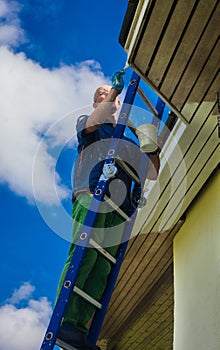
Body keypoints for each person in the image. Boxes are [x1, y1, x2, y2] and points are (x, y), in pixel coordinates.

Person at [56, 70, 160, 349]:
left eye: (109, 93)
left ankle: (78, 331)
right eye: (100, 94)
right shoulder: (89, 123)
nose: (107, 95)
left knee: (102, 270)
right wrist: (114, 91)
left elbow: (150, 173)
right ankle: (65, 322)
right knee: (86, 256)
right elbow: (93, 122)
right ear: (96, 103)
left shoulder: (127, 139)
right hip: (93, 195)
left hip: (121, 209)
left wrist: (152, 146)